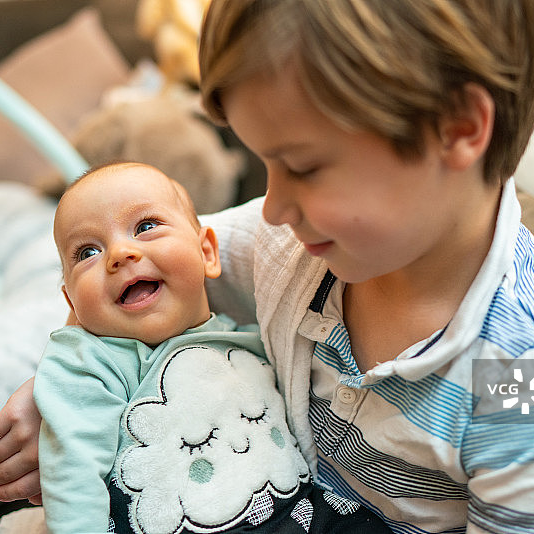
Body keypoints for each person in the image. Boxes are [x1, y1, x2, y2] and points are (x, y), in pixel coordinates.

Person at [0, 1, 534, 532]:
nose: (272, 206)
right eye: (263, 163)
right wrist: (63, 380)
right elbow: (135, 275)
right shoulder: (292, 241)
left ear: (457, 127)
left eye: (302, 166)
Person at [26, 162, 391, 533]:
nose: (119, 253)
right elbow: (72, 471)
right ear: (72, 303)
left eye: (146, 227)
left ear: (208, 254)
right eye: (87, 252)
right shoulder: (90, 359)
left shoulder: (259, 337)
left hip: (302, 516)